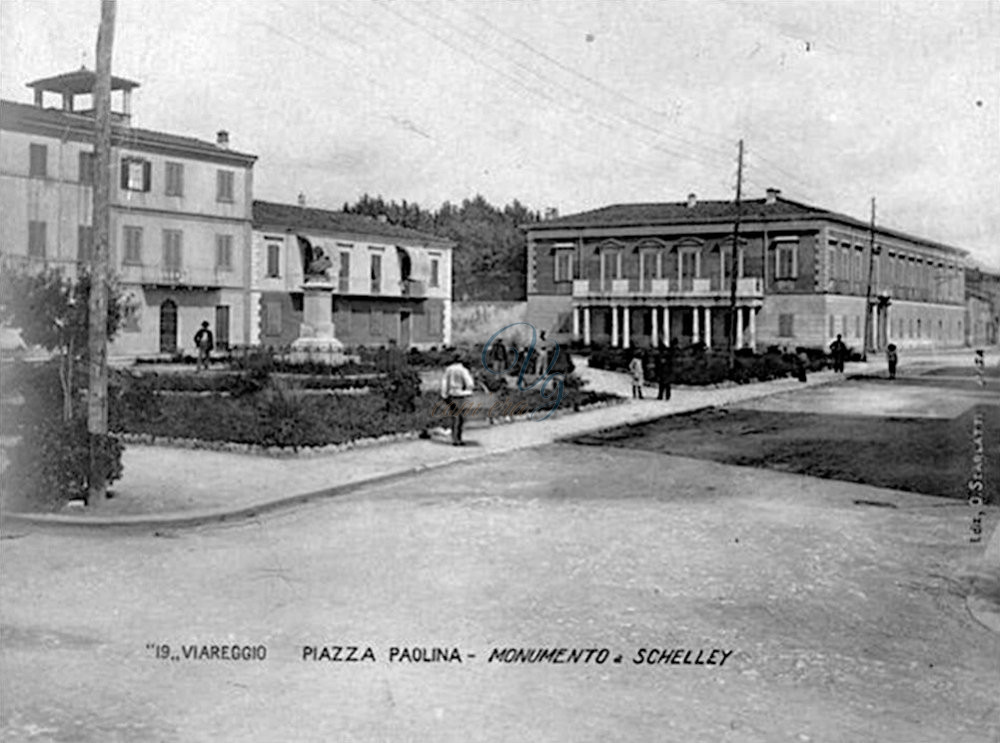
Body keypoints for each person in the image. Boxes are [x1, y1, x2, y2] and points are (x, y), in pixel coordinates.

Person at [440, 353, 475, 446]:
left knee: (454, 416)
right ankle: (458, 438)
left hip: (451, 394)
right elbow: (470, 383)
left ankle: (454, 438)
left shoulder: (449, 369)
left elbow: (444, 382)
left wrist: (444, 394)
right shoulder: (463, 370)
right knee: (460, 418)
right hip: (460, 395)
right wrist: (469, 390)